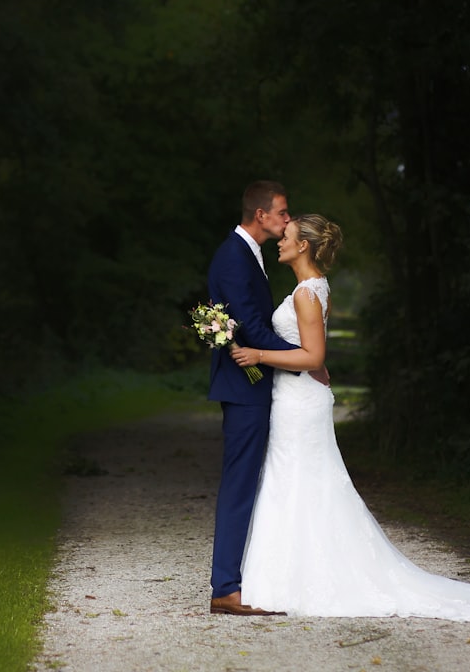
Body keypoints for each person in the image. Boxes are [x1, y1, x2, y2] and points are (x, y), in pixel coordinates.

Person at [229, 214, 470, 620]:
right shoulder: (312, 287)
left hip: (299, 399)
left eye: (286, 237)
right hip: (296, 396)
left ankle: (297, 579)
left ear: (303, 245)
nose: (280, 242)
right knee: (297, 482)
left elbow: (313, 356)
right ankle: (285, 575)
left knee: (300, 480)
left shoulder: (307, 293)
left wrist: (257, 356)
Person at [206, 180, 300, 616]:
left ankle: (243, 578)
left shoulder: (248, 253)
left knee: (251, 483)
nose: (286, 220)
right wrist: (305, 360)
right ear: (260, 215)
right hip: (244, 387)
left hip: (255, 380)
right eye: (282, 212)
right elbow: (254, 330)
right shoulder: (233, 256)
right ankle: (225, 587)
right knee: (240, 485)